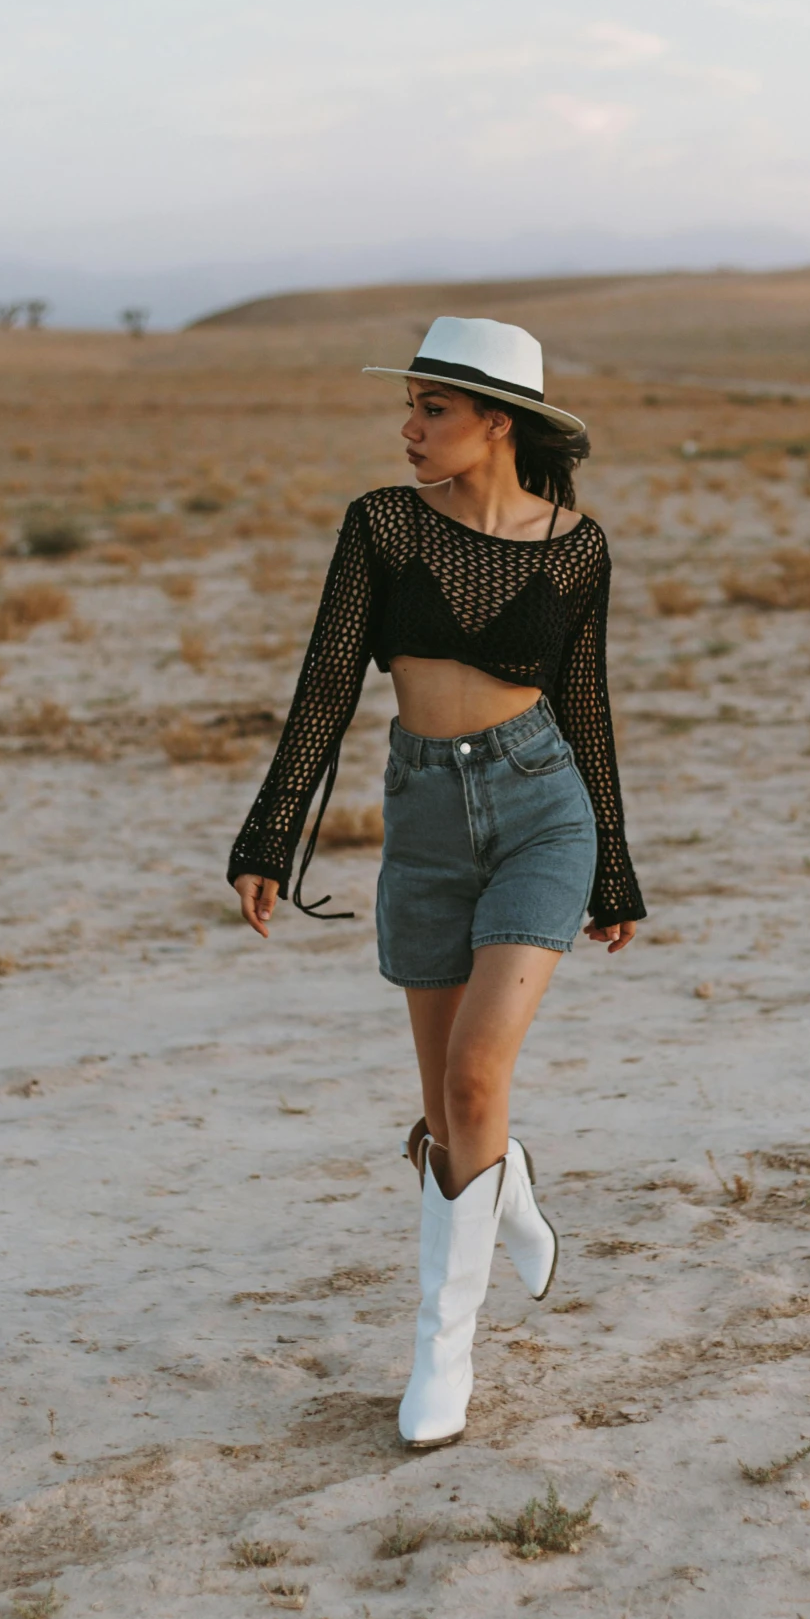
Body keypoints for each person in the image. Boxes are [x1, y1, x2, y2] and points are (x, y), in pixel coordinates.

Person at [229, 316, 644, 1447]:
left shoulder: (577, 547)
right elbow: (325, 682)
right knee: (447, 1112)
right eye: (409, 407)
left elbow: (588, 709)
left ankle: (440, 1353)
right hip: (421, 819)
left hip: (538, 808)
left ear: (495, 422)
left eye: (433, 409)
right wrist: (270, 834)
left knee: (471, 1083)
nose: (408, 430)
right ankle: (499, 1189)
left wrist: (611, 861)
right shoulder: (380, 527)